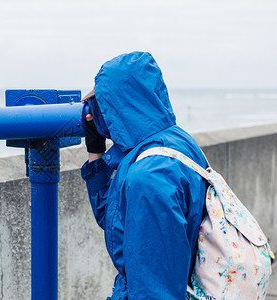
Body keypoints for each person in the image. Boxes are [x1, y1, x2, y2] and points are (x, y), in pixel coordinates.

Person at [80, 51, 208, 299]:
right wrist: (95, 148)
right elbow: (116, 220)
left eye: (100, 104)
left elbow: (154, 289)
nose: (95, 112)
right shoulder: (174, 141)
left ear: (117, 106)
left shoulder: (149, 177)